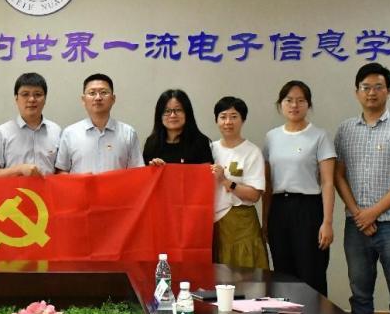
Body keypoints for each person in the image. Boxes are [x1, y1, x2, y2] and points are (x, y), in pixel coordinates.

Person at [334, 62, 390, 314]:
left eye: (378, 87)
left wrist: (372, 213)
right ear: (357, 92)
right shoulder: (345, 130)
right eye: (366, 87)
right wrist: (358, 213)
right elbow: (338, 175)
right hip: (357, 226)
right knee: (360, 293)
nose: (371, 92)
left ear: (388, 91)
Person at [262, 80, 336, 295]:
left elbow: (328, 182)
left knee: (311, 271)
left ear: (308, 105)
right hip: (279, 209)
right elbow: (268, 184)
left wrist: (327, 222)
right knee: (283, 273)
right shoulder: (271, 137)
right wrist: (265, 221)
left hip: (308, 210)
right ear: (280, 104)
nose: (294, 105)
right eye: (289, 100)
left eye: (301, 101)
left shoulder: (319, 136)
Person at [210, 96, 269, 269]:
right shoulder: (210, 149)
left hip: (241, 224)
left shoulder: (252, 152)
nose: (228, 122)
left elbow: (254, 195)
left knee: (245, 274)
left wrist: (225, 181)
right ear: (216, 120)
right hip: (213, 224)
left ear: (243, 120)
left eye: (234, 116)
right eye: (223, 117)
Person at [55, 73, 143, 174]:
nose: (98, 98)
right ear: (83, 100)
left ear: (113, 99)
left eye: (103, 92)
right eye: (92, 93)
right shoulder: (70, 133)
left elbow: (137, 172)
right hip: (81, 185)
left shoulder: (128, 133)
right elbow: (61, 171)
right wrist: (80, 180)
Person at [0, 72, 61, 177]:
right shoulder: (1, 133)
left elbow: (61, 172)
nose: (32, 99)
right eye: (25, 94)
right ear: (16, 98)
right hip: (13, 188)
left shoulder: (56, 131)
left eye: (38, 94)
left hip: (48, 188)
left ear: (45, 99)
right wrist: (19, 169)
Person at [142, 89, 213, 166]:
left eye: (178, 110)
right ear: (159, 115)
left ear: (187, 113)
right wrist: (154, 168)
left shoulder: (200, 142)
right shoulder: (151, 144)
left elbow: (206, 172)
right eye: (167, 111)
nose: (172, 115)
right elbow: (145, 172)